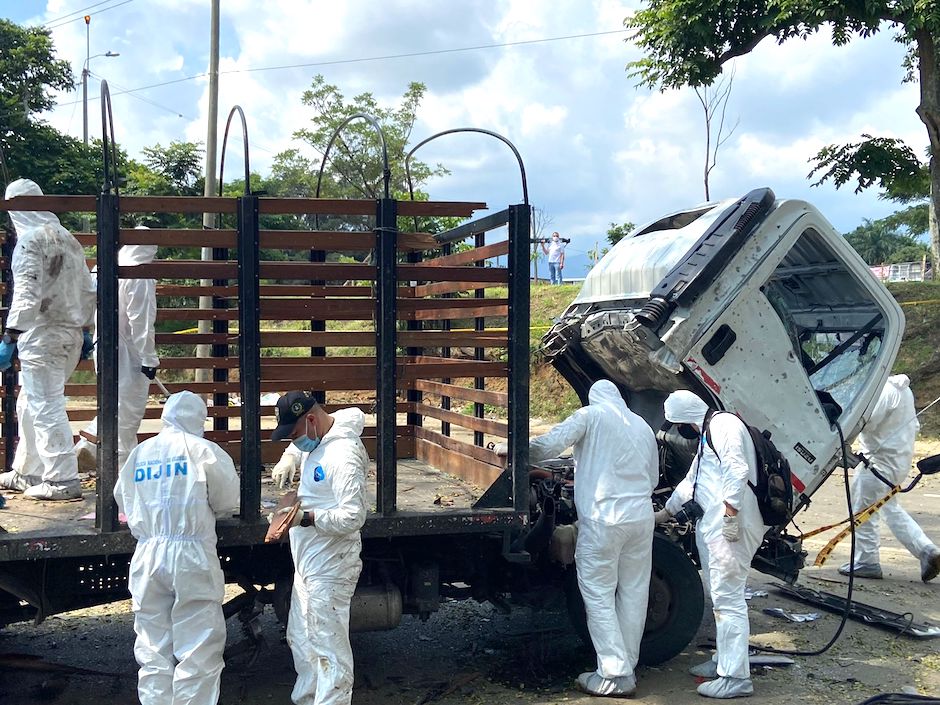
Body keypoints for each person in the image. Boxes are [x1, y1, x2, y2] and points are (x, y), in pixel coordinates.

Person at [499, 379, 658, 697]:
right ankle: (627, 663)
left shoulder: (590, 415)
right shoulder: (642, 426)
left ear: (594, 397)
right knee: (634, 592)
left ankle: (614, 674)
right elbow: (652, 476)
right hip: (641, 518)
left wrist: (514, 449)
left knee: (598, 593)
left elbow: (548, 446)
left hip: (604, 519)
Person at [114, 390, 239, 705]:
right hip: (191, 554)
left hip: (147, 553)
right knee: (198, 648)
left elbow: (122, 497)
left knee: (152, 647)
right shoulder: (203, 450)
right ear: (198, 419)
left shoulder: (140, 453)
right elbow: (227, 502)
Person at [655, 390, 763, 699]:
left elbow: (738, 470)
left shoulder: (724, 425)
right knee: (721, 598)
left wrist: (730, 514)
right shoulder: (707, 434)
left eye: (678, 424)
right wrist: (665, 513)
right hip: (718, 527)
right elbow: (693, 482)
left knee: (729, 600)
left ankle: (736, 678)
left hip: (733, 528)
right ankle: (723, 663)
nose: (680, 431)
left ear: (686, 420)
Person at [269, 391, 369, 705]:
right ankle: (308, 699)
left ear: (311, 420)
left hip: (332, 566)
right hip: (308, 565)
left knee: (329, 650)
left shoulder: (343, 455)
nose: (296, 442)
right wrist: (289, 456)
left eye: (295, 436)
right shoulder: (318, 435)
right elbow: (304, 443)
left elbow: (353, 516)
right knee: (301, 639)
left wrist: (306, 517)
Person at [0, 178, 96, 500]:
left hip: (43, 337)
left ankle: (62, 480)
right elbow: (87, 290)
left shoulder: (29, 242)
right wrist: (84, 329)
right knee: (29, 402)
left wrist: (10, 336)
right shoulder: (68, 239)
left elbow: (27, 295)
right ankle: (27, 471)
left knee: (45, 405)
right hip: (69, 336)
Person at [839, 374, 940, 582]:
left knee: (863, 512)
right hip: (897, 462)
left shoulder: (885, 390)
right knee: (890, 509)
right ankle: (927, 551)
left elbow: (863, 421)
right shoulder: (904, 391)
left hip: (878, 463)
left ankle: (866, 561)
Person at [75, 238, 160, 473]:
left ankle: (94, 444)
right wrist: (149, 358)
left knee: (112, 402)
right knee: (128, 409)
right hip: (129, 352)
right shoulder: (139, 275)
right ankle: (117, 470)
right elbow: (140, 321)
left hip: (102, 344)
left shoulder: (102, 269)